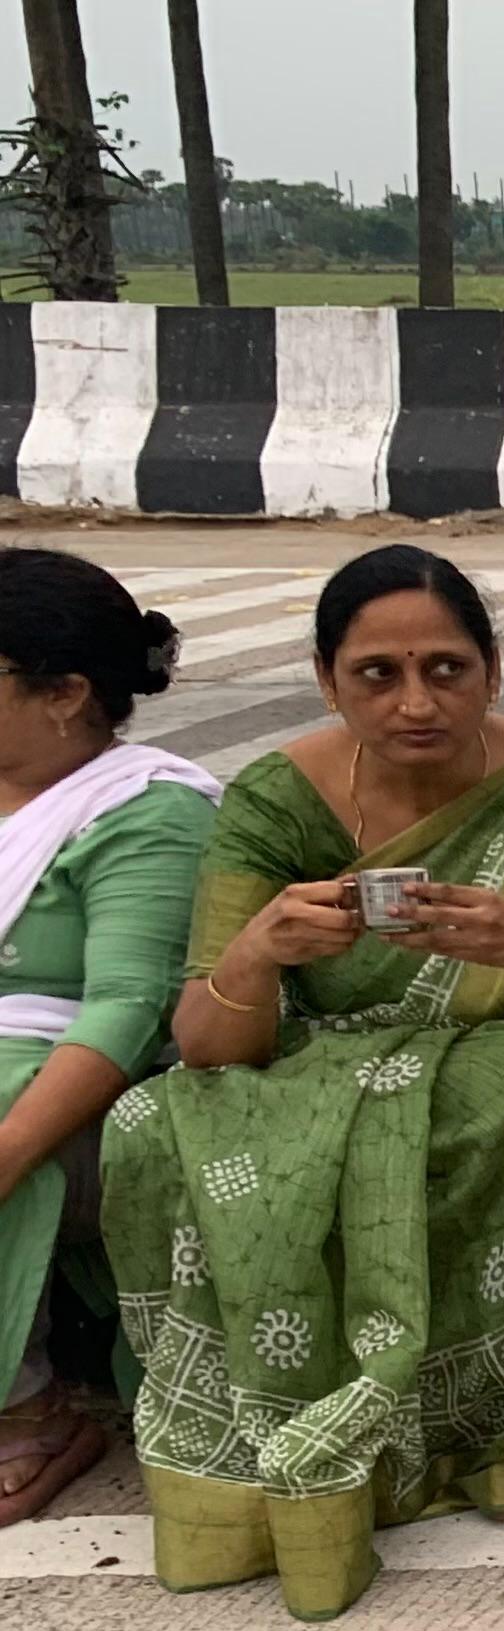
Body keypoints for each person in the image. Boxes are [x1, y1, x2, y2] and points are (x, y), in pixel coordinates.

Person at [107, 546, 504, 1619]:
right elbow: (206, 1044)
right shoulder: (277, 799)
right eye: (377, 674)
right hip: (320, 1060)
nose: (416, 703)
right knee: (150, 1123)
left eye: (447, 669)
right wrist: (259, 951)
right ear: (328, 680)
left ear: (493, 671)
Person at [0, 552, 218, 1526]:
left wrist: (8, 1149)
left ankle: (31, 1410)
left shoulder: (147, 812)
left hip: (87, 1114)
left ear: (66, 694)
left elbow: (126, 1013)